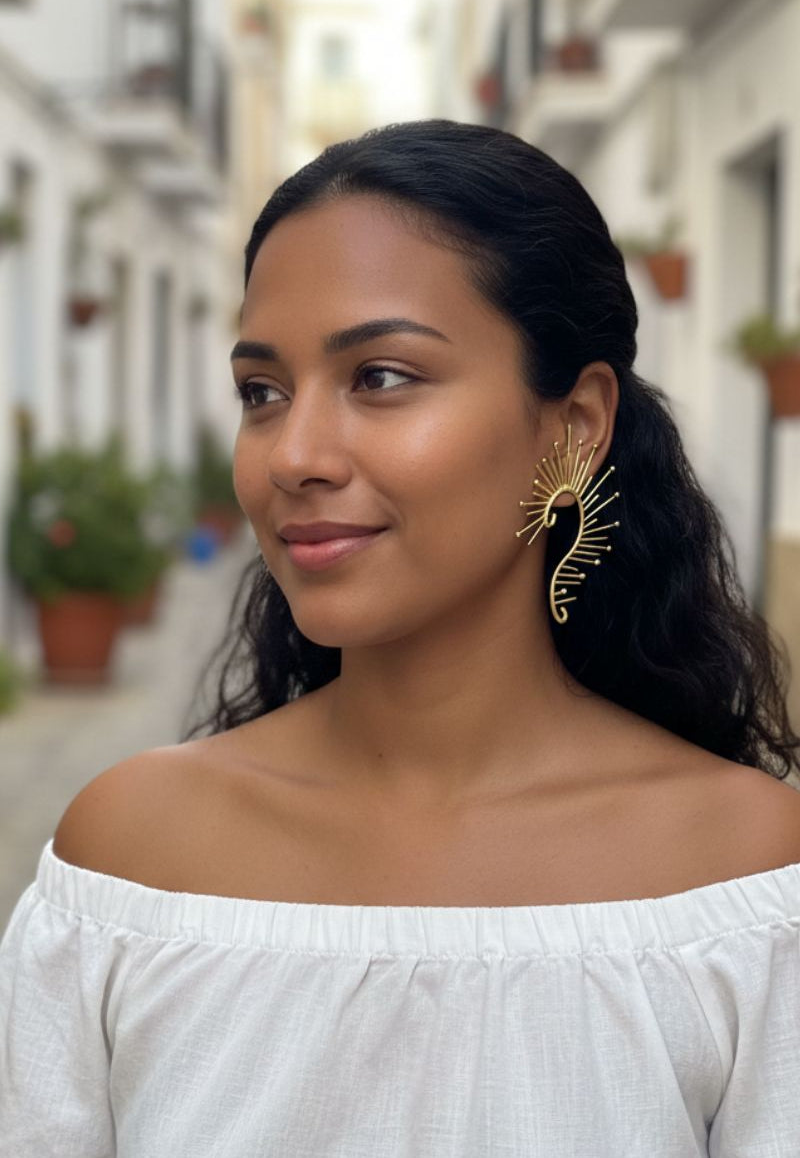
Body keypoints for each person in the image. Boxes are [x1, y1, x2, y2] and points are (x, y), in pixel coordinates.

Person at [2, 119, 800, 1156]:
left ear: (572, 428)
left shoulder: (740, 887)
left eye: (381, 376)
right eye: (261, 392)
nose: (292, 454)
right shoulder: (129, 867)